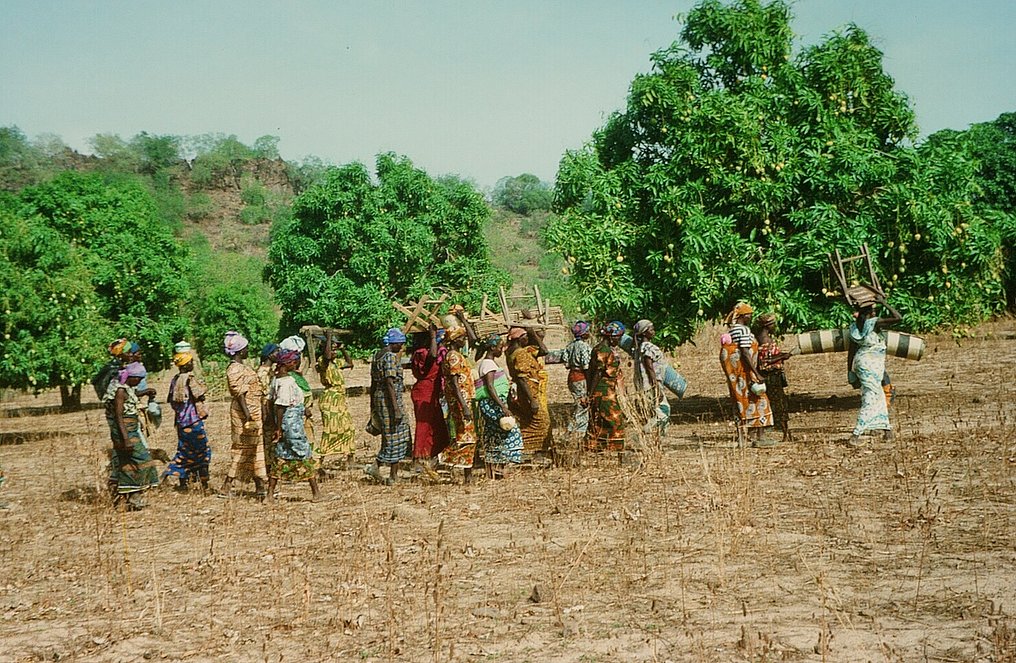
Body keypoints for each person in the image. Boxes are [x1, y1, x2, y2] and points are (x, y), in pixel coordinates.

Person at [847, 292, 902, 447]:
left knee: (876, 394)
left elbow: (851, 351)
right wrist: (884, 303)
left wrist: (850, 372)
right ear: (871, 312)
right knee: (871, 396)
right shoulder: (874, 323)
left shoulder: (855, 326)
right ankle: (855, 434)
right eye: (874, 309)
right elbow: (898, 317)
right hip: (871, 364)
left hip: (862, 363)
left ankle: (887, 430)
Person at [103, 361, 160, 508]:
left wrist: (145, 392)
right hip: (126, 432)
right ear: (131, 377)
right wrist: (126, 439)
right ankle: (134, 496)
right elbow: (119, 416)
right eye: (138, 379)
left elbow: (132, 395)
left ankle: (124, 497)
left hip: (130, 429)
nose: (139, 382)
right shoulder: (120, 391)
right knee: (142, 460)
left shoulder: (126, 388)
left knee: (127, 463)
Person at [268, 349, 322, 500]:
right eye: (293, 361)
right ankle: (316, 493)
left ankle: (270, 494)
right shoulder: (287, 382)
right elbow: (280, 406)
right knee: (304, 453)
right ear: (287, 363)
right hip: (292, 424)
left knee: (281, 455)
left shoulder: (276, 379)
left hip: (287, 421)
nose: (296, 364)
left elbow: (271, 402)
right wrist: (279, 429)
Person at [220, 331, 268, 499]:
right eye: (246, 348)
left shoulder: (242, 368)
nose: (249, 351)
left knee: (255, 447)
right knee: (244, 448)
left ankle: (260, 484)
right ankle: (227, 484)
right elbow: (239, 394)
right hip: (244, 413)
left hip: (252, 410)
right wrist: (248, 416)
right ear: (240, 351)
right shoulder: (234, 370)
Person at [720, 303, 774, 447]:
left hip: (737, 376)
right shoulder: (743, 330)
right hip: (745, 373)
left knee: (739, 402)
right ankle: (760, 438)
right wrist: (756, 373)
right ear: (744, 316)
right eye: (749, 314)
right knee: (760, 400)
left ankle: (742, 439)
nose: (751, 317)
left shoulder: (732, 330)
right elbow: (745, 352)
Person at [366, 328, 412, 485]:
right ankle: (392, 475)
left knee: (389, 435)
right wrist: (396, 409)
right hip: (389, 400)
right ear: (396, 343)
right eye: (401, 344)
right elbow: (390, 383)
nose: (402, 348)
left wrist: (372, 404)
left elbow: (373, 383)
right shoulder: (390, 358)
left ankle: (377, 466)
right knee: (396, 435)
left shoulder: (377, 356)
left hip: (380, 399)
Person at [474, 334, 523, 478]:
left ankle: (494, 470)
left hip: (493, 403)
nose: (502, 350)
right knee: (509, 431)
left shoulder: (489, 363)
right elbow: (490, 386)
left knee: (494, 435)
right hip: (493, 404)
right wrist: (503, 406)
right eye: (500, 347)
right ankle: (500, 468)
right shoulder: (488, 364)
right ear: (492, 348)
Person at [163, 349, 211, 492]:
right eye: (190, 362)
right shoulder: (190, 379)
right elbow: (199, 394)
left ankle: (182, 481)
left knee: (185, 451)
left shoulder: (175, 380)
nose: (192, 364)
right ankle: (205, 484)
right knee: (203, 452)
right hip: (193, 421)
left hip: (181, 422)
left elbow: (172, 401)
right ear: (184, 365)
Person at [505, 326, 552, 459]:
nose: (528, 339)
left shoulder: (511, 351)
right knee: (543, 422)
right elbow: (522, 379)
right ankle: (538, 451)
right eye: (526, 336)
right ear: (521, 338)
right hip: (529, 392)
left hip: (525, 392)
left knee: (529, 421)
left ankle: (526, 449)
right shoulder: (521, 353)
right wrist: (532, 400)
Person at [440, 326, 479, 484]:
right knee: (466, 437)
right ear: (455, 340)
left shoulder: (454, 355)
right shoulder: (454, 357)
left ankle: (467, 475)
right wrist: (464, 405)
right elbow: (455, 384)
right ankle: (441, 459)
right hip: (460, 401)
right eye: (462, 338)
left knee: (467, 437)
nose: (464, 341)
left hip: (462, 400)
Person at [410, 324, 450, 478]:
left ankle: (432, 456)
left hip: (431, 392)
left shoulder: (427, 351)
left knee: (436, 425)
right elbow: (432, 356)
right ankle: (418, 458)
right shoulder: (421, 353)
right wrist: (433, 336)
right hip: (424, 391)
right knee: (423, 426)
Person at [586, 321, 628, 456]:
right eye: (618, 337)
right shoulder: (603, 350)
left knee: (599, 419)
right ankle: (613, 448)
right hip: (603, 390)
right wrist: (590, 393)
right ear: (611, 336)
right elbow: (597, 372)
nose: (619, 340)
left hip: (606, 389)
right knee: (615, 419)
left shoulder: (601, 349)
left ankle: (596, 447)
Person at [316, 331, 356, 468]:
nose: (333, 352)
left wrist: (342, 348)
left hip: (339, 399)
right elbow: (326, 356)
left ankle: (350, 458)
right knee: (330, 430)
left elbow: (350, 364)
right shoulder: (322, 361)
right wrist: (328, 339)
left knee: (348, 428)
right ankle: (320, 460)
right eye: (331, 349)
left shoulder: (336, 362)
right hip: (329, 399)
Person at [756, 314, 793, 443]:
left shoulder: (763, 337)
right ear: (767, 325)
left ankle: (785, 433)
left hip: (773, 375)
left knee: (776, 403)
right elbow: (765, 361)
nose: (775, 327)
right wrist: (782, 356)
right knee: (779, 404)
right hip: (771, 376)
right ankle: (785, 434)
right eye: (773, 324)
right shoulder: (764, 339)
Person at [633, 319, 669, 434]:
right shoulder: (647, 347)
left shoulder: (639, 348)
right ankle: (644, 434)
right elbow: (649, 368)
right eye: (651, 329)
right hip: (650, 385)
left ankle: (652, 439)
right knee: (663, 412)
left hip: (644, 386)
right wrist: (656, 386)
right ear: (644, 332)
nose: (653, 331)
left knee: (652, 413)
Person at [557, 321, 593, 434]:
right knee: (583, 405)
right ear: (583, 334)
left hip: (572, 377)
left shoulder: (569, 346)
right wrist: (590, 381)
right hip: (581, 377)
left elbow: (566, 363)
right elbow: (586, 366)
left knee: (578, 403)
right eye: (587, 331)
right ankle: (575, 430)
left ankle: (574, 430)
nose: (589, 333)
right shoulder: (584, 347)